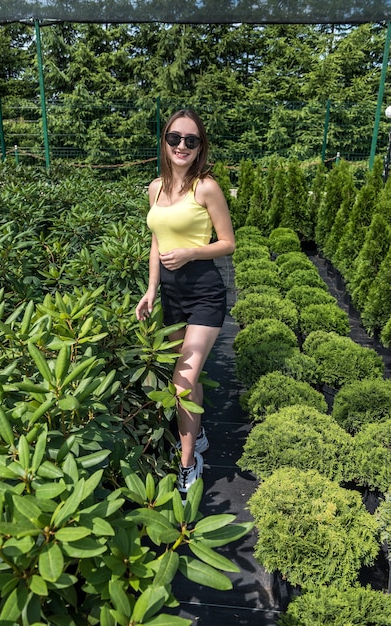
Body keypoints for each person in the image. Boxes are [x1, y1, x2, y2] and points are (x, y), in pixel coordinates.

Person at [135, 109, 235, 497]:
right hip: (172, 295)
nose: (181, 146)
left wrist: (192, 253)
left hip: (205, 293)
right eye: (175, 138)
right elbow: (157, 240)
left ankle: (189, 463)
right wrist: (151, 289)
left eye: (190, 141)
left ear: (200, 148)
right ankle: (200, 432)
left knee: (181, 382)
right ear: (164, 141)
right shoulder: (155, 188)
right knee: (186, 380)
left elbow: (228, 243)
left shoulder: (206, 187)